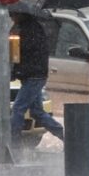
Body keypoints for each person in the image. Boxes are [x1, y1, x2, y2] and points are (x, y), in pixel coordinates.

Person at [9, 10, 64, 146]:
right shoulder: (27, 28)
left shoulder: (30, 30)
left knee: (18, 108)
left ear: (22, 14)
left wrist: (15, 38)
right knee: (37, 112)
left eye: (14, 14)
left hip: (34, 76)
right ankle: (66, 136)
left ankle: (12, 142)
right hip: (33, 75)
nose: (12, 17)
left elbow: (23, 53)